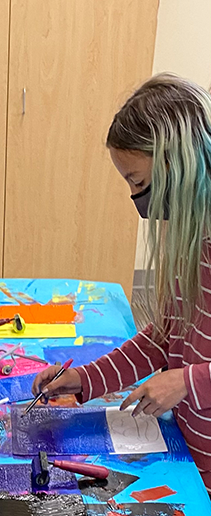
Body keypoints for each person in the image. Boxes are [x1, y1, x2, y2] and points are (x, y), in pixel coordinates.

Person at [33, 73, 211, 494]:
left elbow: (184, 370)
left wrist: (187, 381)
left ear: (176, 163)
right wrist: (86, 381)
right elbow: (164, 339)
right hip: (194, 453)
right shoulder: (193, 233)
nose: (136, 198)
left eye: (139, 182)